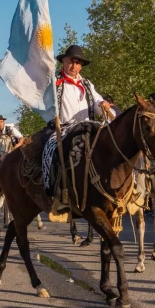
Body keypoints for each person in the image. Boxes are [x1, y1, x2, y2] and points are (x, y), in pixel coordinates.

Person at [42, 45, 112, 213]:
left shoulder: (87, 84)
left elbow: (96, 102)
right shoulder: (55, 83)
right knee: (53, 152)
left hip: (88, 127)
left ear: (81, 65)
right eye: (70, 62)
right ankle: (59, 192)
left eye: (77, 63)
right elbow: (44, 103)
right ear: (63, 62)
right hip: (65, 128)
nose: (74, 66)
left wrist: (102, 105)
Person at [0, 115, 24, 193]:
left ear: (4, 122)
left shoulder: (11, 129)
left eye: (1, 122)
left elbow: (21, 138)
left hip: (13, 151)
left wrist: (17, 146)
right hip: (1, 154)